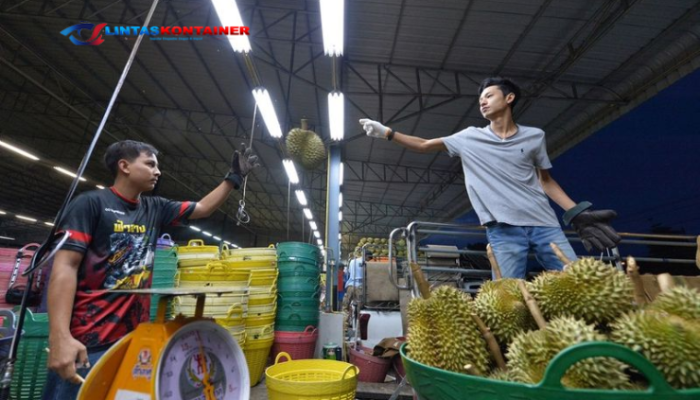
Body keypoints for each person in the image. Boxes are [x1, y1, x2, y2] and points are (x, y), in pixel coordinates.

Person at [43, 140, 259, 400]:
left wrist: (234, 178)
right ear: (124, 166)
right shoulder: (90, 204)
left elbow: (202, 208)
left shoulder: (154, 208)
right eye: (150, 164)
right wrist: (60, 338)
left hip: (133, 338)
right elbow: (65, 267)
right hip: (89, 341)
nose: (158, 172)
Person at [359, 77, 620, 279]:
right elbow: (425, 144)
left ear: (509, 98)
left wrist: (576, 212)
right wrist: (388, 133)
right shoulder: (468, 137)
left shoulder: (534, 136)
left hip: (545, 225)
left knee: (578, 280)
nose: (482, 102)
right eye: (480, 99)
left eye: (488, 95)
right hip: (503, 230)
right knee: (508, 298)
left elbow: (546, 181)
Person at [342, 250, 373, 320]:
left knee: (345, 307)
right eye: (369, 258)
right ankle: (358, 325)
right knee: (360, 307)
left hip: (350, 285)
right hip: (359, 286)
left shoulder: (352, 261)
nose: (369, 260)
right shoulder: (366, 263)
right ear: (367, 256)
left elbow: (349, 272)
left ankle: (344, 326)